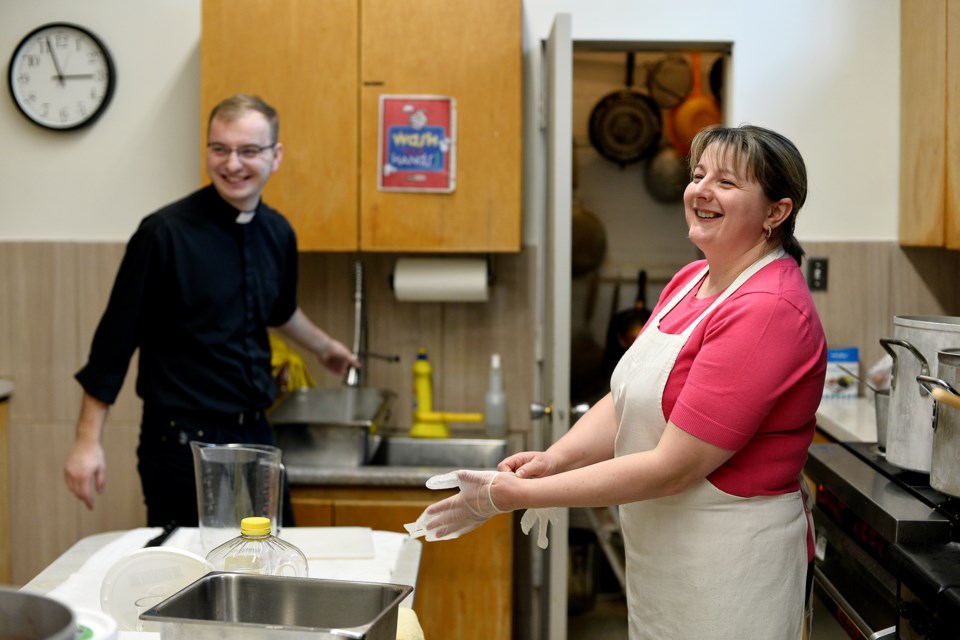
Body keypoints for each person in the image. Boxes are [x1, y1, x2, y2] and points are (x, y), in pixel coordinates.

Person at [409, 124, 827, 639]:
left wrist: (514, 495)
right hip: (668, 556)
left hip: (731, 564)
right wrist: (555, 458)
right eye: (698, 176)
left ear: (775, 212)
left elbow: (673, 468)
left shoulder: (767, 311)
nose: (701, 190)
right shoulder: (690, 281)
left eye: (726, 182)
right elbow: (628, 396)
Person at [64, 94, 359, 528]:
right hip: (183, 443)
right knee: (192, 579)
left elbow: (279, 311)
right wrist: (86, 442)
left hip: (256, 435)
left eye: (248, 151)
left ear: (275, 157)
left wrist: (325, 347)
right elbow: (114, 342)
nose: (233, 164)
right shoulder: (163, 234)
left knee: (275, 567)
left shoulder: (277, 232)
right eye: (220, 149)